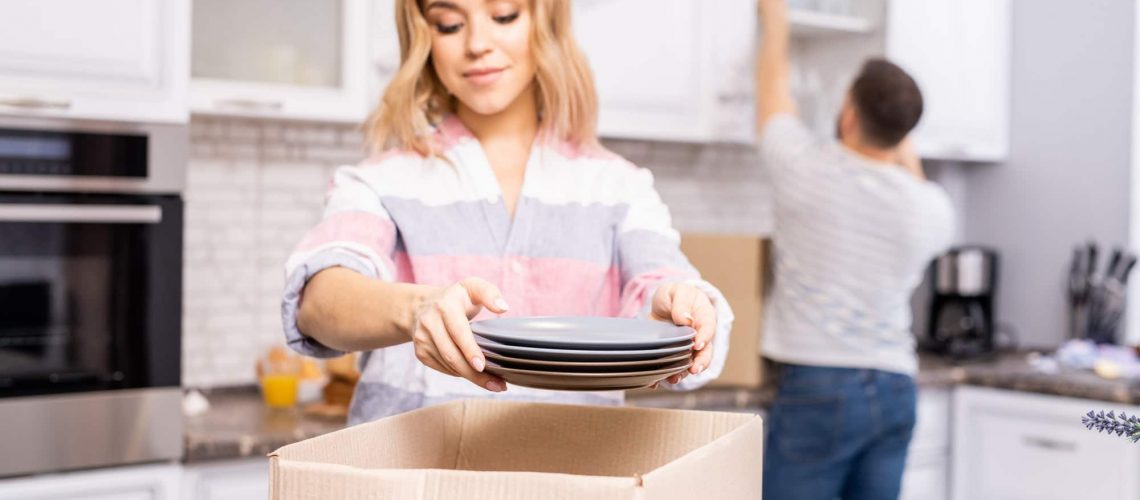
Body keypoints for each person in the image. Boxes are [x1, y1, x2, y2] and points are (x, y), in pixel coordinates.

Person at [280, 0, 734, 424]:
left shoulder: (619, 188)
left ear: (545, 21)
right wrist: (416, 308)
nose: (477, 43)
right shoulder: (381, 181)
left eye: (504, 14)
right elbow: (317, 302)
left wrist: (681, 309)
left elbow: (661, 285)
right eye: (450, 23)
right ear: (424, 36)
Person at [755, 0, 955, 498]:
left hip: (819, 387)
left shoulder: (802, 168)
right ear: (906, 134)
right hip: (895, 389)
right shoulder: (933, 208)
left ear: (848, 113)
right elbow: (911, 175)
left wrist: (775, 23)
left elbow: (772, 96)